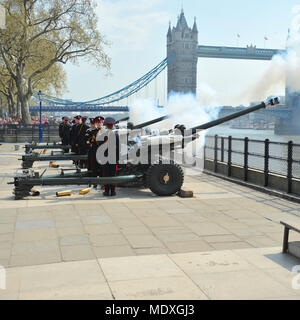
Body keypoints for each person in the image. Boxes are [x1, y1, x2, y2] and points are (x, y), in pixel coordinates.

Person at [96, 117, 120, 197]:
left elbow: (99, 145)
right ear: (113, 125)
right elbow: (118, 147)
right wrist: (118, 158)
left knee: (105, 174)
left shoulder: (102, 134)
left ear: (106, 125)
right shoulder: (116, 134)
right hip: (113, 158)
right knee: (113, 175)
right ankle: (113, 191)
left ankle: (106, 191)